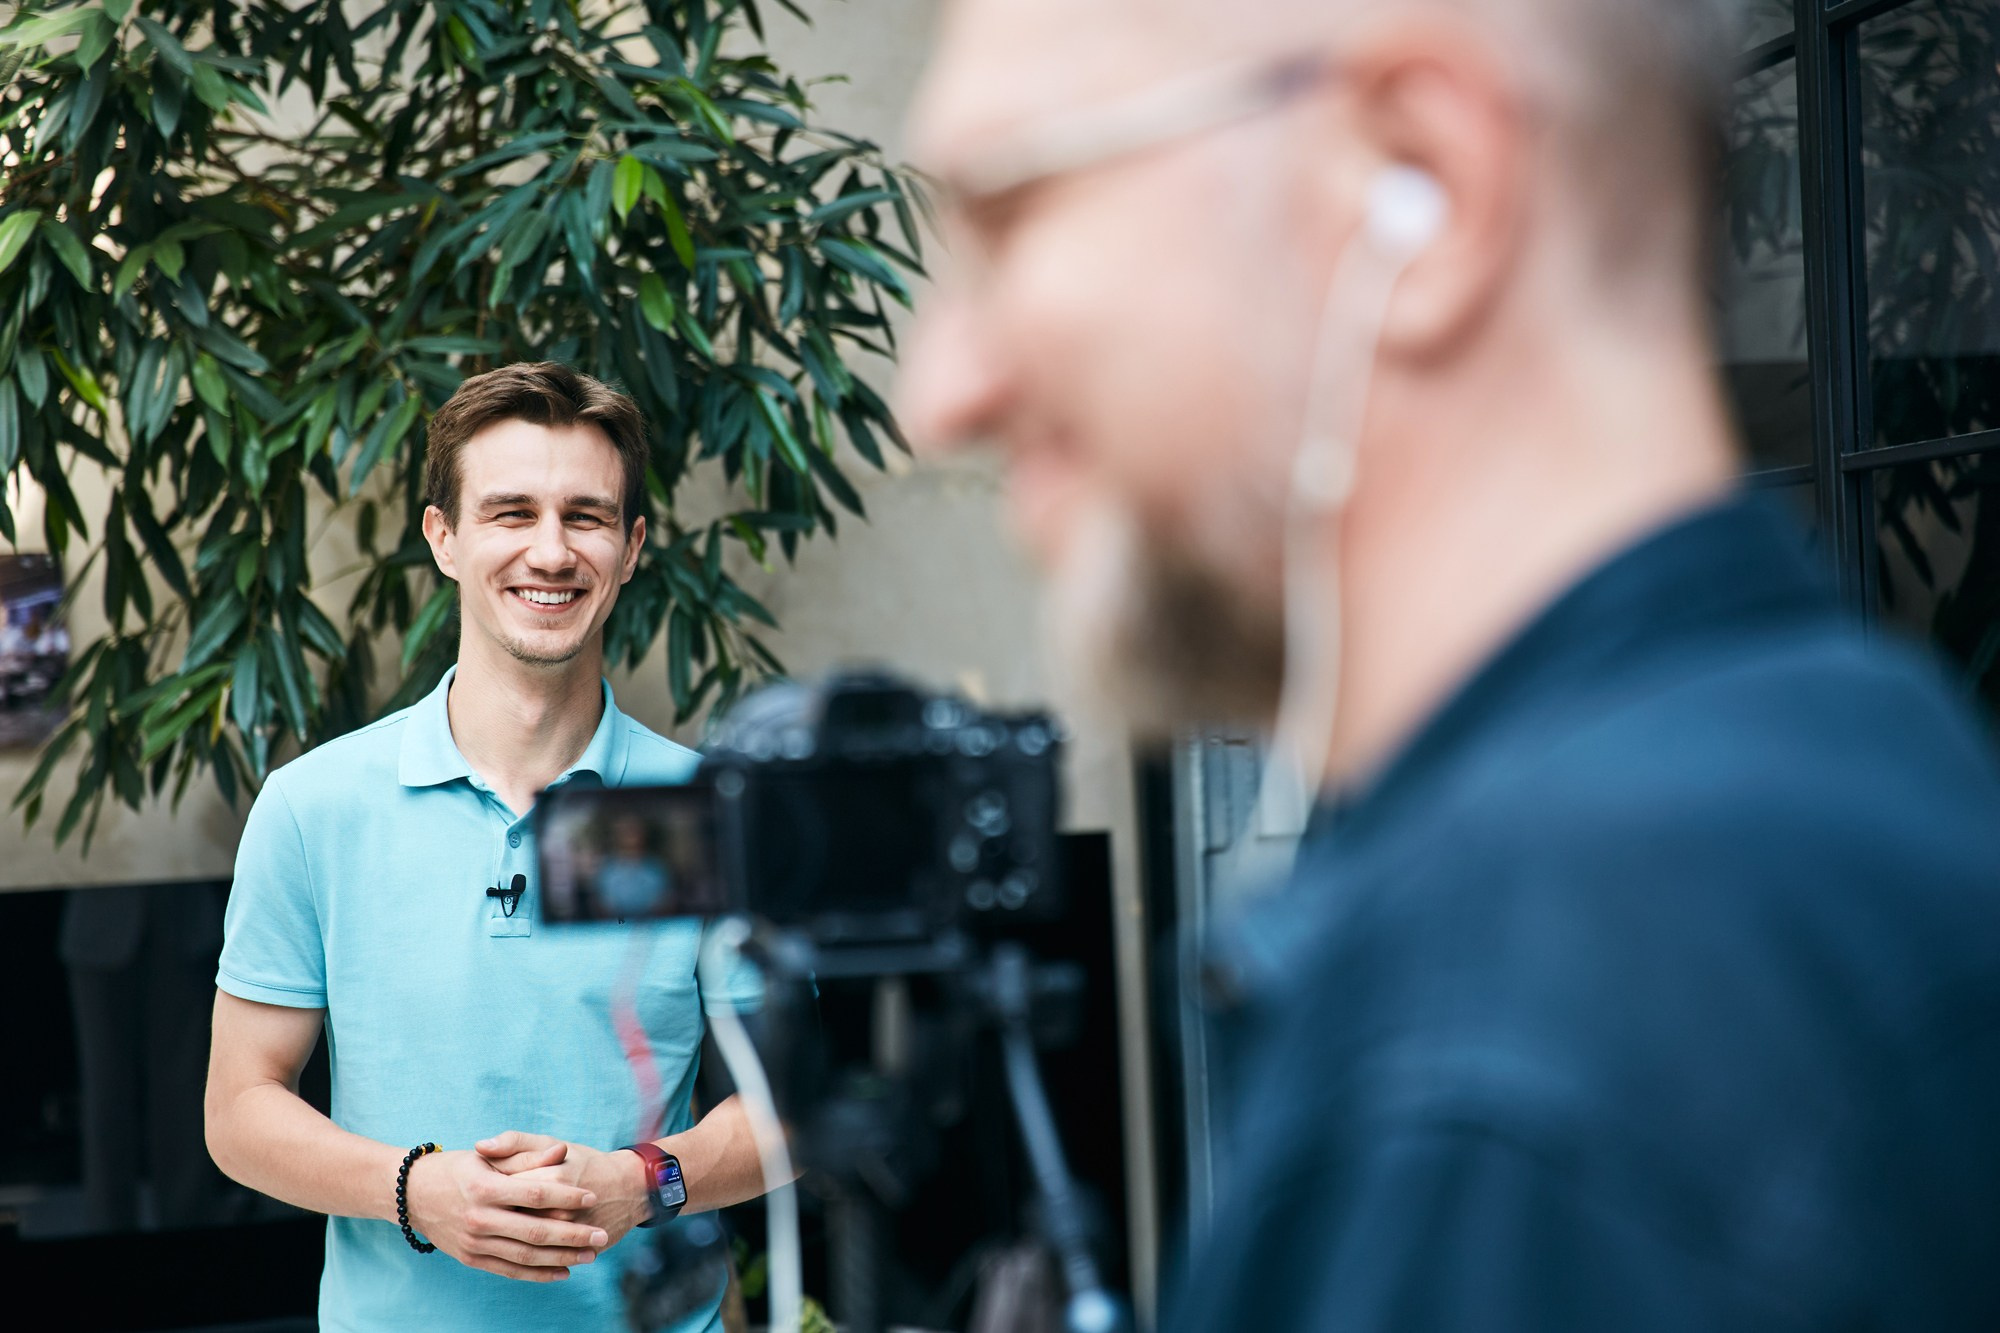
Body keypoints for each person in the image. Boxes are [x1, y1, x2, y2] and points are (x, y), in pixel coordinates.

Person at [902, 0, 2000, 1329]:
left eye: (1007, 211)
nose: (938, 393)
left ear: (1418, 182)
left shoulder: (1518, 1071)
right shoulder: (1869, 765)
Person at [205, 363, 771, 1332]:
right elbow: (239, 1108)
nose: (550, 551)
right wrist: (414, 1187)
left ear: (632, 547)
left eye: (586, 517)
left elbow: (789, 1106)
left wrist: (644, 1181)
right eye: (511, 513)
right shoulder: (314, 807)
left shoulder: (709, 816)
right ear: (444, 538)